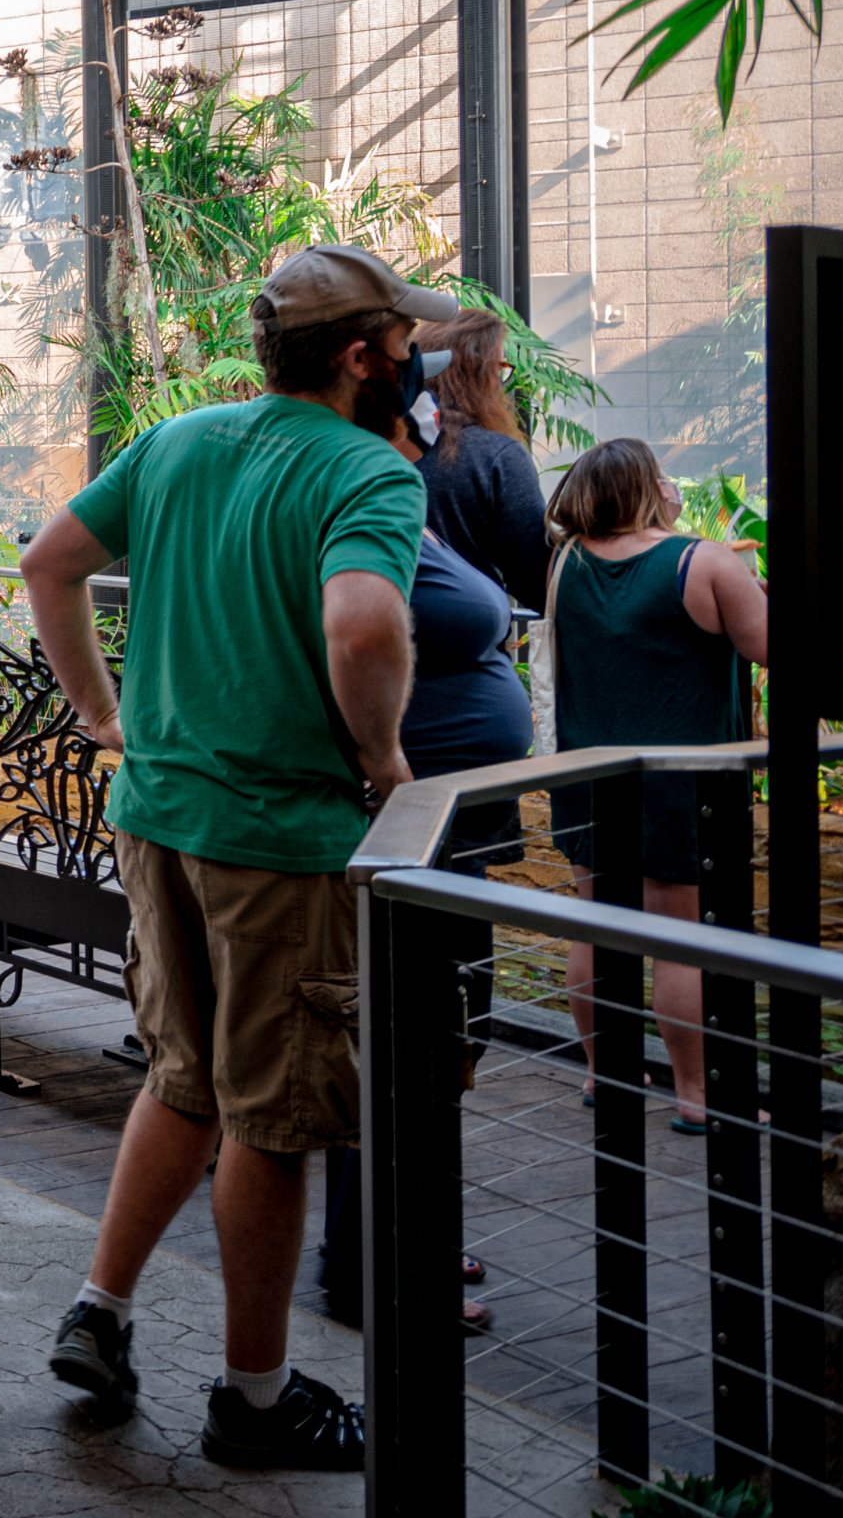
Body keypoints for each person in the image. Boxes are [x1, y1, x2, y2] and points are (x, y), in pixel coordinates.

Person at [25, 243, 448, 1471]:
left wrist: (107, 719)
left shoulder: (179, 440)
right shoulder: (366, 472)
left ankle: (99, 1313)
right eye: (405, 342)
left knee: (182, 1077)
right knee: (273, 1118)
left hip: (159, 814)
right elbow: (364, 621)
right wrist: (383, 760)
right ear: (363, 356)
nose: (417, 359)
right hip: (283, 839)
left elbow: (49, 564)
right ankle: (256, 1402)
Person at [317, 386, 531, 1332]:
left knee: (440, 1038)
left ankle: (410, 1238)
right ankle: (382, 1266)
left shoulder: (413, 513)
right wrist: (389, 765)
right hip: (417, 824)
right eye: (424, 404)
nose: (445, 425)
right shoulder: (374, 513)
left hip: (448, 825)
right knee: (413, 1039)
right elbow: (359, 636)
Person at [542, 437, 770, 1131]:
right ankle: (698, 1096)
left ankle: (603, 1073)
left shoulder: (567, 562)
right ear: (645, 486)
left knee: (596, 929)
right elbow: (766, 645)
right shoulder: (698, 560)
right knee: (681, 940)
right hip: (682, 785)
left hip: (588, 775)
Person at [412, 307, 551, 612]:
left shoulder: (377, 446)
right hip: (467, 642)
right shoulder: (496, 457)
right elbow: (534, 578)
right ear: (478, 373)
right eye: (499, 368)